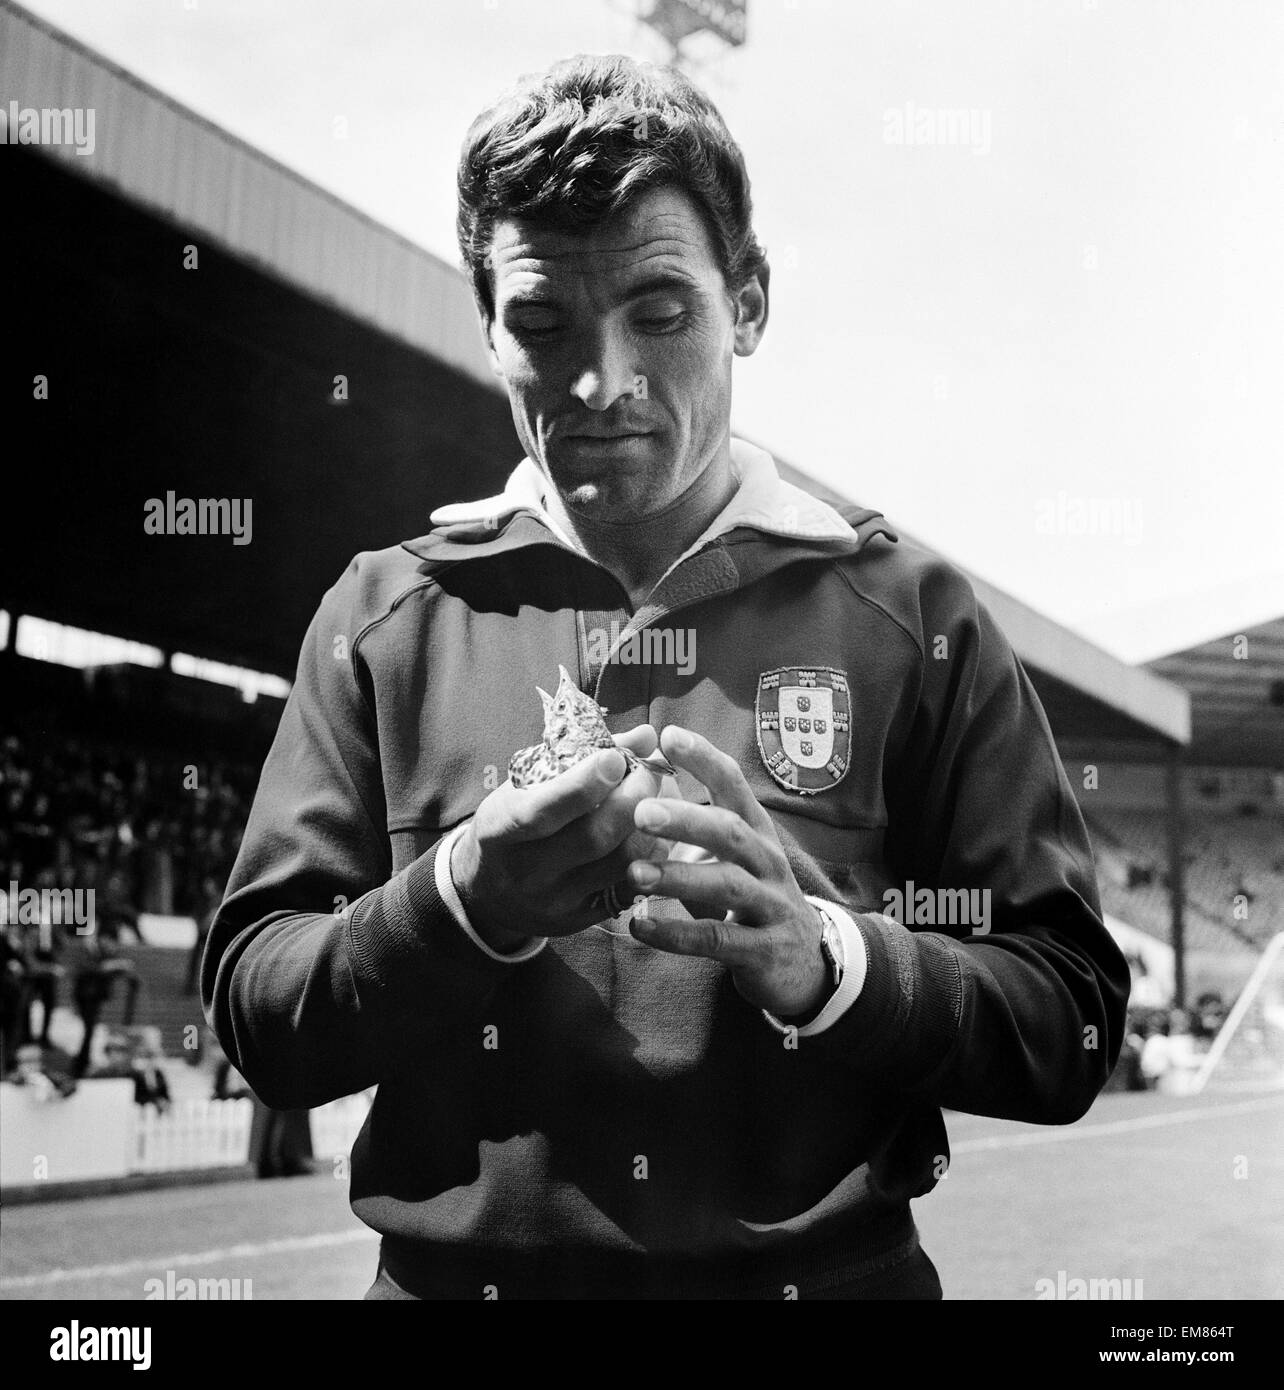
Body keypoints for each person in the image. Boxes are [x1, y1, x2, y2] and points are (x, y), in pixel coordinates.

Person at [205, 55, 1129, 1300]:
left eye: (660, 309)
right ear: (487, 326)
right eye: (542, 324)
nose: (601, 382)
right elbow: (259, 1014)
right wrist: (458, 901)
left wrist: (833, 962)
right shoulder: (383, 614)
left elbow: (1071, 1019)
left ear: (747, 303)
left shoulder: (913, 615)